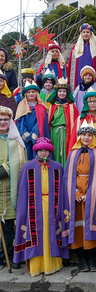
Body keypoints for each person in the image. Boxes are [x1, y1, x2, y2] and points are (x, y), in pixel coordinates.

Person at [14, 137, 69, 276]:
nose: (43, 153)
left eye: (46, 150)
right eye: (40, 150)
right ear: (36, 151)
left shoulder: (57, 167)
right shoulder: (28, 166)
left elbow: (62, 191)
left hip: (52, 206)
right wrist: (22, 210)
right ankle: (37, 266)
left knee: (50, 233)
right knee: (36, 234)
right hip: (34, 207)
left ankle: (52, 264)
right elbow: (22, 191)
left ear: (49, 151)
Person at [64, 120, 96, 272]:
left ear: (94, 137)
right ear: (79, 136)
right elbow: (68, 176)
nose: (86, 138)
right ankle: (82, 260)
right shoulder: (73, 153)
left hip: (93, 195)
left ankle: (92, 259)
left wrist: (90, 195)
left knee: (90, 227)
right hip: (77, 196)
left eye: (89, 135)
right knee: (78, 228)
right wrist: (77, 193)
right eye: (84, 135)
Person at [0, 106, 27, 270]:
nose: (2, 122)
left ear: (10, 122)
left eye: (5, 119)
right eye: (0, 120)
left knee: (8, 225)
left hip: (10, 188)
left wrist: (3, 170)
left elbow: (19, 161)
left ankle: (7, 255)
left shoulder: (16, 142)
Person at [47, 78, 79, 168]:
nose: (62, 93)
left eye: (64, 91)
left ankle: (66, 172)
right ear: (56, 92)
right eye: (60, 91)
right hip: (55, 133)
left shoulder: (72, 107)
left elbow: (76, 121)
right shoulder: (52, 107)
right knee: (56, 152)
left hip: (67, 132)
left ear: (67, 93)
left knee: (66, 152)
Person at [15, 81, 50, 160]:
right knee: (26, 155)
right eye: (28, 92)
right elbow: (20, 122)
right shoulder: (22, 106)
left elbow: (41, 123)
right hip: (25, 137)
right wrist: (26, 135)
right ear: (25, 94)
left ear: (37, 93)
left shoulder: (41, 107)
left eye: (33, 92)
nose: (31, 94)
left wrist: (34, 134)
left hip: (38, 135)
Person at [68, 23, 96, 92]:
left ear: (91, 34)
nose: (86, 34)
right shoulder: (75, 48)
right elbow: (71, 65)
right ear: (81, 33)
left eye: (88, 32)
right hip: (78, 74)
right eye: (84, 32)